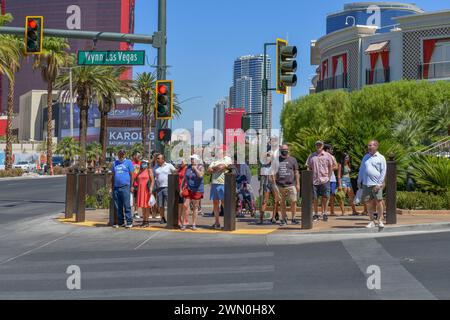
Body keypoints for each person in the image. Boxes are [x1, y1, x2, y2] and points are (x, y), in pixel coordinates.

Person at [358, 140, 387, 229]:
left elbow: (383, 171)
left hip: (376, 184)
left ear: (376, 146)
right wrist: (359, 181)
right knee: (368, 203)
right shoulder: (365, 157)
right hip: (366, 184)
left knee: (379, 202)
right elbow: (362, 169)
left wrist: (379, 184)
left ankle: (380, 220)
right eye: (368, 145)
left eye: (371, 145)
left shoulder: (381, 157)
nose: (369, 147)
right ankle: (371, 221)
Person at [306, 141, 335, 222]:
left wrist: (328, 177)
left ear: (322, 146)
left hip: (324, 180)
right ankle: (315, 214)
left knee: (325, 197)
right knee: (315, 198)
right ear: (315, 146)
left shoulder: (327, 155)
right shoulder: (311, 156)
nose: (318, 146)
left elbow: (331, 167)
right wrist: (309, 177)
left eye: (320, 145)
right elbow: (308, 167)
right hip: (314, 180)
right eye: (317, 144)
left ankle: (325, 213)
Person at [274, 145, 300, 226]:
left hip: (291, 184)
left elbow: (296, 172)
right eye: (282, 149)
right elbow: (273, 172)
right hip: (280, 185)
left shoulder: (293, 160)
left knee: (293, 201)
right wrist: (274, 185)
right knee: (282, 203)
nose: (284, 151)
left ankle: (293, 218)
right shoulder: (276, 160)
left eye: (285, 149)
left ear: (288, 150)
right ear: (280, 150)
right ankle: (284, 219)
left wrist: (298, 183)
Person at [207, 150, 233, 229]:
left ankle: (228, 222)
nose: (218, 153)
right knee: (215, 203)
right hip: (214, 183)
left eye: (220, 152)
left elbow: (222, 167)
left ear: (224, 153)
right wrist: (217, 168)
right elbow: (208, 170)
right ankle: (217, 222)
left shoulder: (227, 159)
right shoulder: (214, 160)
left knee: (224, 203)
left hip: (223, 183)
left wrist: (214, 168)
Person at [111, 149, 135, 228]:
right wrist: (111, 188)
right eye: (120, 154)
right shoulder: (114, 163)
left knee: (126, 205)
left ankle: (129, 222)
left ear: (124, 154)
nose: (121, 155)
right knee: (118, 206)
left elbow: (132, 175)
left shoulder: (128, 162)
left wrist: (131, 186)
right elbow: (113, 176)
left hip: (125, 187)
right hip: (116, 188)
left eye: (122, 154)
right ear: (118, 154)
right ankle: (120, 222)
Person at [181, 154, 205, 230]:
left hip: (197, 189)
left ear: (197, 160)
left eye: (193, 159)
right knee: (185, 205)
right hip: (188, 188)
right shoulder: (188, 167)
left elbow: (201, 175)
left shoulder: (201, 167)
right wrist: (181, 188)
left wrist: (195, 169)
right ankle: (185, 222)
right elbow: (185, 178)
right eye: (191, 159)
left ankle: (194, 223)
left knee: (195, 206)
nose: (192, 160)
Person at [153, 154, 177, 224]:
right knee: (160, 205)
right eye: (157, 158)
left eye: (158, 158)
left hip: (168, 187)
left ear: (163, 159)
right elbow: (153, 176)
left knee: (170, 204)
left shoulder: (169, 165)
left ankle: (171, 218)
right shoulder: (155, 167)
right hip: (159, 188)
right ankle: (162, 218)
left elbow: (175, 172)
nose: (157, 160)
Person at [259, 152, 278, 224]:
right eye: (267, 157)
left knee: (275, 201)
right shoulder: (264, 167)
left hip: (274, 184)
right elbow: (262, 178)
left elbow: (276, 176)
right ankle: (261, 218)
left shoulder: (275, 166)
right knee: (265, 201)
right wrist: (261, 188)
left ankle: (273, 217)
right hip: (266, 184)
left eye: (269, 156)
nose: (268, 158)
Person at [135, 159, 155, 228]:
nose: (143, 164)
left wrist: (151, 188)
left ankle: (147, 221)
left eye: (145, 163)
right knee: (143, 206)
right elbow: (136, 178)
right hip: (141, 190)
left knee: (147, 206)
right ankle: (144, 220)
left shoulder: (149, 170)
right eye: (142, 163)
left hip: (147, 190)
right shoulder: (140, 171)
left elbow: (152, 181)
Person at [323, 144, 339, 216]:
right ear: (327, 150)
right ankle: (324, 212)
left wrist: (329, 168)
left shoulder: (332, 157)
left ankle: (332, 211)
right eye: (331, 149)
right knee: (324, 195)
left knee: (332, 195)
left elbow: (336, 166)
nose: (332, 150)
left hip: (332, 179)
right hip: (324, 179)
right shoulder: (321, 156)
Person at [177, 159, 188, 227]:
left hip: (185, 189)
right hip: (179, 189)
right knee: (180, 205)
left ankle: (185, 220)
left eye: (182, 162)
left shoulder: (186, 169)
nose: (181, 163)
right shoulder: (179, 169)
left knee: (185, 205)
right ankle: (179, 220)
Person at [131, 152, 141, 219]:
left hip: (138, 184)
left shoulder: (141, 163)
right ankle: (129, 212)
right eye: (137, 156)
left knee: (137, 198)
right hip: (131, 183)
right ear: (134, 156)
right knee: (131, 199)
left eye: (139, 156)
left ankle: (136, 212)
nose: (138, 157)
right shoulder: (130, 163)